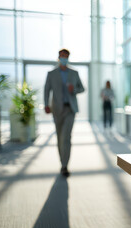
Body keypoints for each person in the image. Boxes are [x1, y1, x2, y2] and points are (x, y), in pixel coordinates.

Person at [44, 48, 85, 177]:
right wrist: (46, 104)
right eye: (62, 56)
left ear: (68, 58)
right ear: (58, 57)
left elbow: (82, 88)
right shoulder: (51, 74)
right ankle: (62, 162)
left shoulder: (74, 73)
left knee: (66, 137)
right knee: (59, 137)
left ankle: (64, 165)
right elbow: (46, 90)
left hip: (70, 109)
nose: (64, 58)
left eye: (66, 56)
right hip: (57, 109)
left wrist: (74, 90)